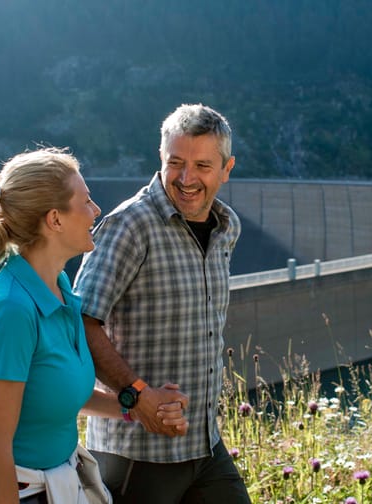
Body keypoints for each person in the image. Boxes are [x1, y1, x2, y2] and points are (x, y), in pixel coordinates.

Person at [0, 148, 187, 504]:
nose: (95, 211)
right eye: (86, 201)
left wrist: (139, 406)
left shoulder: (60, 290)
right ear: (55, 219)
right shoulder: (9, 310)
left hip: (52, 482)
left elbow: (58, 392)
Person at [76, 104, 251, 503]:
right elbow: (81, 323)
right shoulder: (130, 225)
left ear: (227, 168)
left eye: (203, 166)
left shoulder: (227, 228)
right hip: (137, 454)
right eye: (176, 162)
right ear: (161, 159)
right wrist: (136, 397)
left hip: (204, 447)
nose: (187, 179)